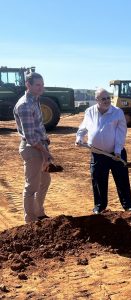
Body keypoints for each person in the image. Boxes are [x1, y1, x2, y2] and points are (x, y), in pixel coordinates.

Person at [76, 88, 131, 213]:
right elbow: (83, 126)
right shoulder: (89, 112)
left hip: (116, 154)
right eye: (103, 98)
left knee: (122, 181)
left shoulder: (117, 112)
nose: (107, 100)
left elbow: (121, 132)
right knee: (98, 181)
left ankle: (128, 206)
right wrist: (79, 137)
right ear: (97, 100)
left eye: (108, 97)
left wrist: (118, 150)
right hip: (97, 154)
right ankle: (99, 207)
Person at [13, 72, 52, 223]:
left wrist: (45, 140)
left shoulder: (35, 100)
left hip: (40, 146)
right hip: (32, 149)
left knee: (45, 181)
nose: (41, 88)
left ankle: (39, 213)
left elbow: (38, 126)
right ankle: (30, 221)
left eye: (42, 85)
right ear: (28, 85)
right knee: (31, 187)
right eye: (38, 85)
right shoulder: (25, 105)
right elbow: (30, 137)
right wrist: (45, 152)